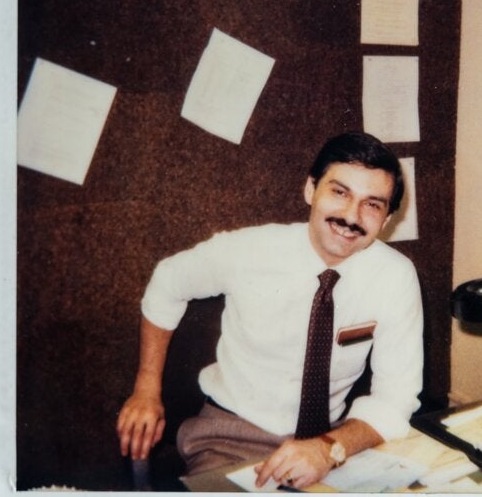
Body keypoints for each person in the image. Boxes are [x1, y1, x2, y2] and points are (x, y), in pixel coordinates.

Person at [116, 132, 424, 489]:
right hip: (230, 437)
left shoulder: (395, 277)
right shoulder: (250, 250)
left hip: (329, 443)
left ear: (386, 220)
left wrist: (329, 448)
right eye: (339, 192)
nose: (350, 216)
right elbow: (167, 282)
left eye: (372, 204)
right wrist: (146, 388)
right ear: (311, 190)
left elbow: (397, 396)